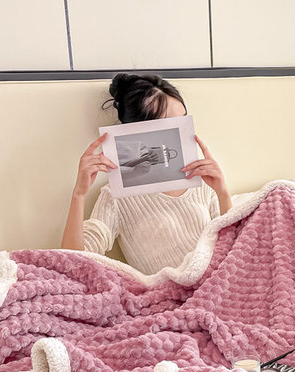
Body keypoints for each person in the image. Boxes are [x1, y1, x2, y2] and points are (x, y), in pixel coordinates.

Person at [61, 73, 233, 275]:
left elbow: (235, 247)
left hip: (223, 279)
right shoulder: (116, 196)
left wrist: (222, 192)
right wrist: (79, 195)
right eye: (170, 126)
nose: (181, 133)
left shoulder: (201, 183)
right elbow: (74, 263)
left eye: (184, 122)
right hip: (176, 290)